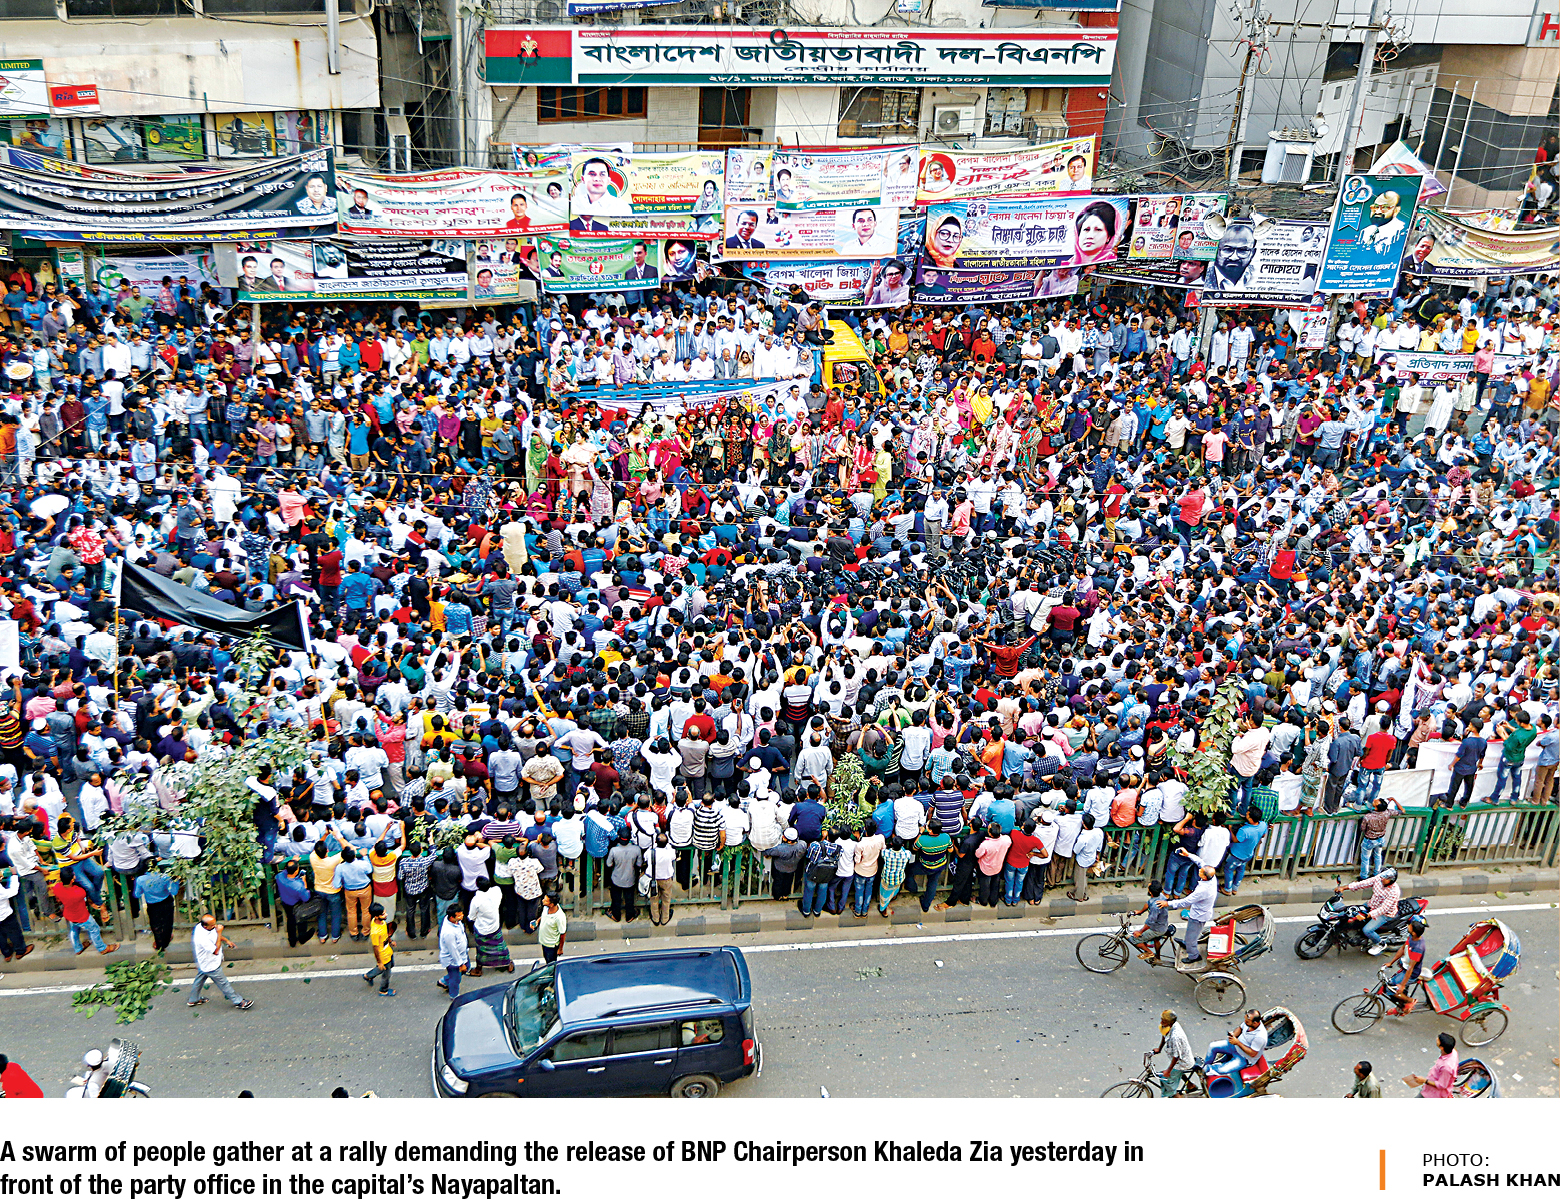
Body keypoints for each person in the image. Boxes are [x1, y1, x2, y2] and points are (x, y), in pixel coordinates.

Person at [188, 913, 252, 1010]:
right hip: (210, 965)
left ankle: (193, 999)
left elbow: (214, 934)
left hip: (203, 963)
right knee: (224, 984)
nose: (215, 926)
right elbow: (215, 951)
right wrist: (219, 932)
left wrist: (226, 940)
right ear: (205, 926)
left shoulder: (202, 927)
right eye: (212, 925)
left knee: (199, 980)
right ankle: (239, 1001)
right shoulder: (202, 938)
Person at [1339, 866, 1402, 954]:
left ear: (1391, 880)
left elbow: (1383, 909)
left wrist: (1366, 915)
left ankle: (1380, 944)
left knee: (1367, 930)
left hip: (1384, 914)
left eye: (1385, 878)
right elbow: (1364, 883)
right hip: (1371, 905)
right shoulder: (1379, 879)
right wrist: (1345, 888)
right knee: (1351, 913)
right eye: (1382, 876)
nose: (1382, 879)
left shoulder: (1394, 892)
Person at [1204, 1008, 1267, 1077]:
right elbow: (1240, 1028)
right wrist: (1234, 1034)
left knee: (1223, 1069)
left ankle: (1207, 1069)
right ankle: (1205, 1064)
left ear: (1255, 1023)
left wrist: (1238, 1043)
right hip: (1234, 1046)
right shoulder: (1248, 1023)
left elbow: (1253, 1053)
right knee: (1212, 1046)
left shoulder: (1260, 1037)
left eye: (1247, 1022)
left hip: (1244, 1058)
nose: (1245, 1022)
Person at [1385, 916, 1427, 1014]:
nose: (1408, 926)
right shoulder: (1411, 937)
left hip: (1411, 973)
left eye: (1410, 927)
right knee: (1393, 987)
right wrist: (1391, 962)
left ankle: (1410, 1001)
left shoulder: (1418, 948)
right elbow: (1403, 949)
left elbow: (1410, 968)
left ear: (1414, 933)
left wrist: (1402, 985)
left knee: (1391, 990)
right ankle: (1401, 1007)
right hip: (1404, 967)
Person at [1155, 1009, 1195, 1097]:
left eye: (1163, 1021)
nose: (1161, 1023)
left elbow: (1176, 1056)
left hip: (1182, 1061)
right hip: (1180, 1058)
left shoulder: (1176, 1037)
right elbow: (1164, 1034)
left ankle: (1175, 1097)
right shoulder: (1171, 1025)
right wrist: (1159, 1049)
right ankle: (1190, 1085)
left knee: (1165, 1080)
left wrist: (1168, 1071)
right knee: (1175, 1072)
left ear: (1169, 1023)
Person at [1407, 1032, 1459, 1097]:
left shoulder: (1446, 1067)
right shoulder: (1453, 1052)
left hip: (1432, 1094)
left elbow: (1442, 1085)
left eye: (1439, 1040)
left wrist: (1424, 1080)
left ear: (1442, 1048)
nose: (1437, 1039)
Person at [362, 904, 395, 997]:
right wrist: (379, 962)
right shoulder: (375, 932)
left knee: (389, 966)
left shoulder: (381, 922)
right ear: (376, 916)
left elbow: (386, 934)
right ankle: (383, 990)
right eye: (383, 914)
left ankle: (368, 976)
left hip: (388, 951)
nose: (386, 915)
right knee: (386, 974)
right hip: (383, 956)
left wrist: (391, 941)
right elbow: (375, 948)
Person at [438, 903, 469, 999]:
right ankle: (454, 996)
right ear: (452, 917)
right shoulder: (449, 933)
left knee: (467, 967)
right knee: (455, 979)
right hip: (453, 960)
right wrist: (460, 964)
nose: (462, 916)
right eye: (459, 915)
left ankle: (444, 981)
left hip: (462, 955)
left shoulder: (456, 922)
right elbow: (453, 950)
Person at [537, 891, 567, 963]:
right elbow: (544, 916)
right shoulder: (546, 907)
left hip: (551, 946)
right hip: (544, 942)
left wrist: (560, 949)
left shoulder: (559, 917)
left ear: (551, 904)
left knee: (551, 964)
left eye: (545, 900)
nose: (543, 901)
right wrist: (537, 921)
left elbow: (562, 934)